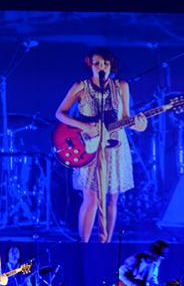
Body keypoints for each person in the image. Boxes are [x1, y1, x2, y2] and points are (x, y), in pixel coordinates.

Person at [55, 48, 148, 243]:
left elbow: (125, 118)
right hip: (89, 146)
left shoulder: (121, 86)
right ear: (90, 64)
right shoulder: (81, 86)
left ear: (111, 65)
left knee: (112, 198)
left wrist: (139, 124)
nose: (101, 67)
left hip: (115, 146)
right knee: (90, 198)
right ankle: (84, 245)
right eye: (97, 63)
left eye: (105, 63)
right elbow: (60, 113)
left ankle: (105, 244)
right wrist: (85, 126)